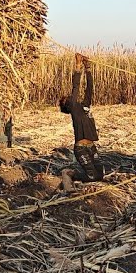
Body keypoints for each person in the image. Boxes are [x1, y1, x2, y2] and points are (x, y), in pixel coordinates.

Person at [58, 54, 101, 188]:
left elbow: (90, 88)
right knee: (92, 176)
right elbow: (75, 87)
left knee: (100, 175)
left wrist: (88, 68)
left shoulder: (85, 105)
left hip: (91, 147)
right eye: (67, 99)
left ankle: (80, 176)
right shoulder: (74, 109)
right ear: (68, 106)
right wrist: (78, 66)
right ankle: (70, 174)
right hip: (81, 149)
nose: (70, 98)